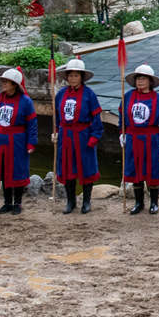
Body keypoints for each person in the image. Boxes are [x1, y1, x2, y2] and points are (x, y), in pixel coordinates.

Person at [0, 68, 38, 215]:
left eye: (6, 82)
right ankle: (7, 202)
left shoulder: (25, 102)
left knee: (17, 172)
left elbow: (32, 124)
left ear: (14, 84)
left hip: (17, 141)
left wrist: (31, 143)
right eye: (3, 81)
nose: (3, 84)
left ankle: (17, 203)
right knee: (2, 171)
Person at [121, 63, 159, 215]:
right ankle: (138, 203)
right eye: (138, 78)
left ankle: (154, 203)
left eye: (143, 79)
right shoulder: (128, 96)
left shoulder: (157, 99)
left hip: (151, 139)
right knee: (135, 170)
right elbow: (122, 115)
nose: (140, 82)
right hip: (133, 137)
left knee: (152, 170)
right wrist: (122, 132)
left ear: (150, 81)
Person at [53, 58, 103, 214]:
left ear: (81, 77)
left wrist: (95, 136)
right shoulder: (60, 94)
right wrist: (55, 131)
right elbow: (56, 116)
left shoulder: (89, 95)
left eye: (76, 75)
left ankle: (86, 202)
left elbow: (96, 118)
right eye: (70, 75)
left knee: (86, 168)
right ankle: (70, 201)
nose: (72, 78)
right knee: (68, 168)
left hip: (83, 135)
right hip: (66, 136)